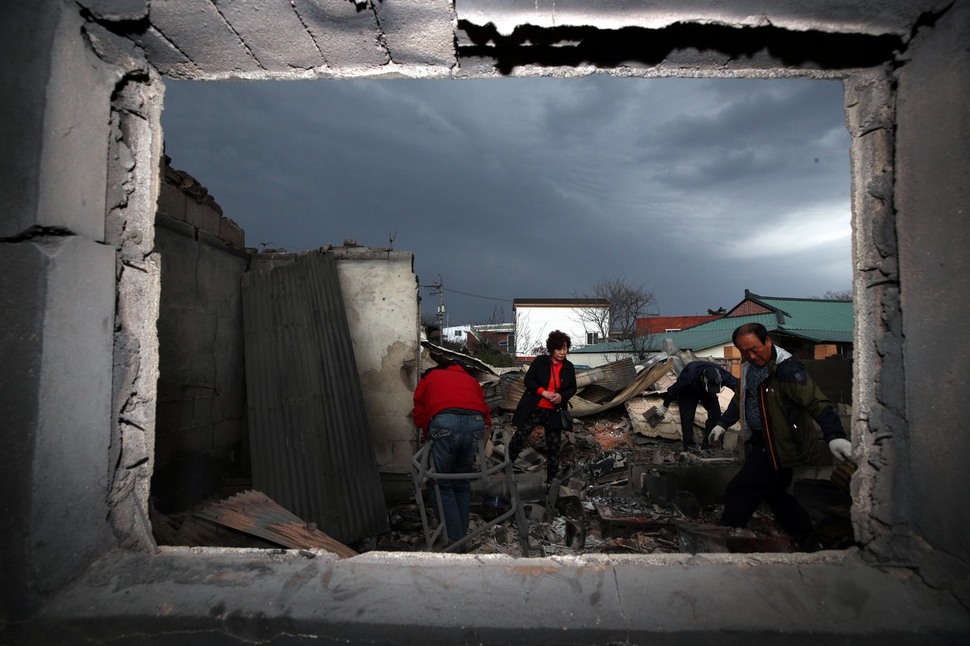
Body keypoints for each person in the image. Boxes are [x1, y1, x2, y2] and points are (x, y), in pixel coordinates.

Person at [709, 322, 852, 549]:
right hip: (760, 440)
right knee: (776, 495)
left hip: (778, 445)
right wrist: (722, 423)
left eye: (755, 349)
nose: (751, 355)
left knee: (739, 490)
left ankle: (726, 539)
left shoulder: (787, 370)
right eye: (744, 351)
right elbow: (741, 399)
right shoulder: (748, 368)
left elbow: (816, 401)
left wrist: (835, 435)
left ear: (767, 341)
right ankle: (807, 539)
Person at [412, 359, 491, 547]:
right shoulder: (471, 381)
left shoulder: (430, 377)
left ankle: (455, 541)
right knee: (462, 482)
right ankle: (459, 535)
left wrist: (428, 433)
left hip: (444, 422)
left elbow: (419, 413)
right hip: (475, 424)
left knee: (442, 483)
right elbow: (486, 414)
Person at [508, 330, 577, 484]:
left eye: (565, 348)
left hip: (554, 411)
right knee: (520, 437)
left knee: (553, 446)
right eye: (559, 349)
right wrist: (543, 392)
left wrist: (561, 397)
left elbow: (572, 388)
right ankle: (506, 467)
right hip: (535, 407)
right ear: (552, 349)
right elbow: (529, 381)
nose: (562, 352)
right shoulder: (540, 362)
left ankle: (551, 481)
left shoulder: (568, 367)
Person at [655, 360, 739, 451]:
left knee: (715, 414)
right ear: (703, 379)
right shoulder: (689, 376)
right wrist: (664, 406)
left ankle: (708, 445)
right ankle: (689, 446)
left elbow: (740, 388)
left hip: (708, 393)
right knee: (687, 417)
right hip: (688, 391)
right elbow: (673, 390)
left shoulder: (723, 375)